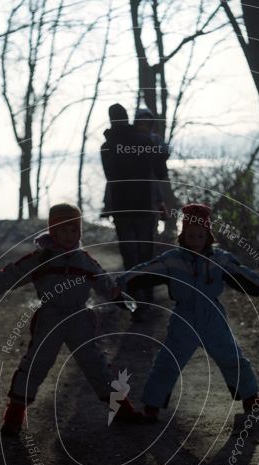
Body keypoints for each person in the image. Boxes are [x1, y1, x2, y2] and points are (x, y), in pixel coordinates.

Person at [0, 202, 145, 436]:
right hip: (50, 318)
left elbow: (103, 279)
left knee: (95, 363)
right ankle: (14, 414)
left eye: (74, 230)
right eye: (63, 230)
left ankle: (121, 409)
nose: (69, 236)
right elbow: (13, 273)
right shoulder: (41, 259)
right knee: (36, 363)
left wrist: (118, 298)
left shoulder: (83, 260)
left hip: (79, 317)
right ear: (53, 231)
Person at [118, 203, 259, 422]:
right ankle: (152, 403)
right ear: (183, 236)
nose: (195, 241)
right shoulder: (172, 259)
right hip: (184, 317)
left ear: (208, 236)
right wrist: (122, 282)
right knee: (168, 362)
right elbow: (146, 269)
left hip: (213, 316)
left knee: (232, 356)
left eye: (200, 236)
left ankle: (250, 396)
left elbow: (242, 272)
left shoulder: (220, 259)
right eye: (190, 236)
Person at [100, 103, 166, 320]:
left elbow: (110, 176)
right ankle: (147, 297)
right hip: (144, 205)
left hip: (121, 207)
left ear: (110, 120)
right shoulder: (144, 141)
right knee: (145, 253)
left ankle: (136, 300)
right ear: (127, 118)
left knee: (130, 255)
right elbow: (160, 171)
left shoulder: (106, 147)